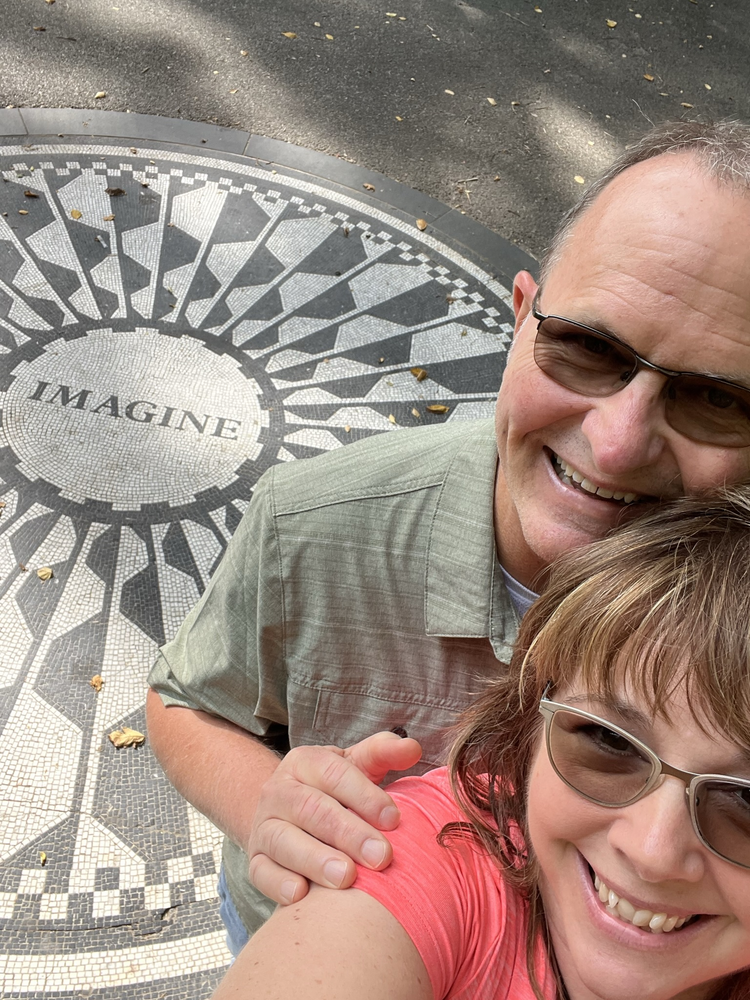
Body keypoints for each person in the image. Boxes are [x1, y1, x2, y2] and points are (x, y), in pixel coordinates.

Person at [146, 118, 750, 947]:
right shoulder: (315, 523)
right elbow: (185, 701)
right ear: (521, 317)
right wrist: (271, 808)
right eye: (585, 347)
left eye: (715, 400)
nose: (614, 443)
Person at [211, 490, 750, 1000]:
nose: (652, 853)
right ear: (529, 728)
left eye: (745, 799)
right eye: (608, 740)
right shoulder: (443, 851)